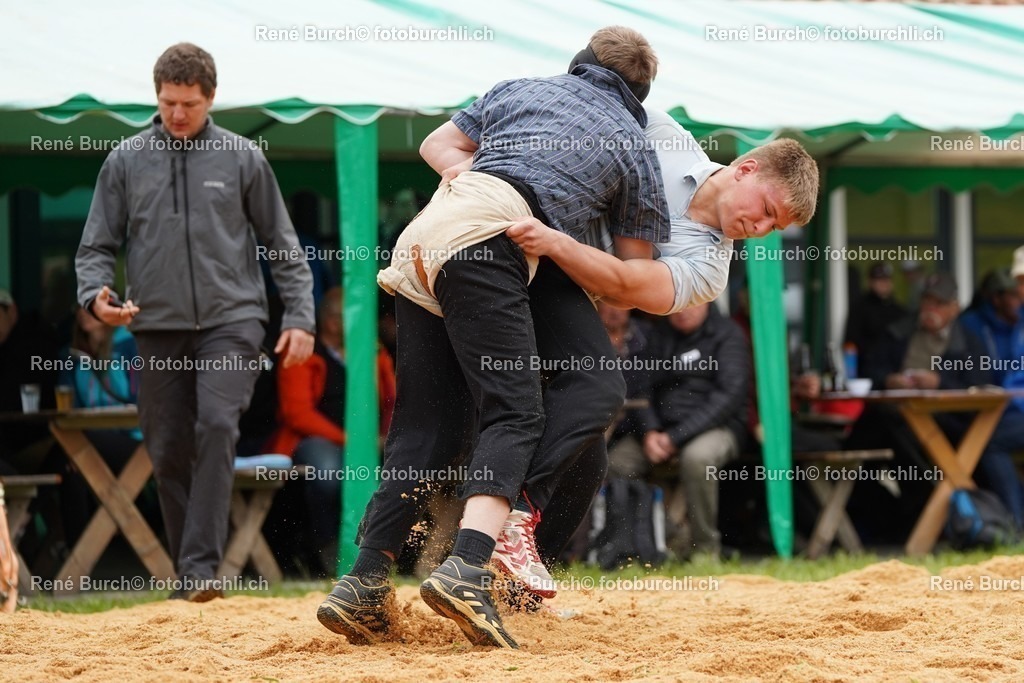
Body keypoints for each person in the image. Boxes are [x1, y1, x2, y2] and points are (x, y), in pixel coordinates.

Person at [318, 26, 670, 649]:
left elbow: (437, 143)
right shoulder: (633, 142)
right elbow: (629, 270)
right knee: (516, 410)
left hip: (425, 232)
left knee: (428, 424)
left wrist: (469, 178)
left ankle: (365, 580)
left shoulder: (520, 88)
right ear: (639, 95)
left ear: (577, 65)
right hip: (490, 240)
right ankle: (470, 564)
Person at [502, 110, 818, 569]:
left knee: (592, 458)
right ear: (745, 169)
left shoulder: (711, 273)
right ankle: (396, 561)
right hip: (515, 254)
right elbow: (577, 103)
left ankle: (524, 576)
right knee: (518, 419)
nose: (761, 229)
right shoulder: (664, 134)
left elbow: (625, 289)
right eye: (767, 211)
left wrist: (554, 243)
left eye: (774, 227)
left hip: (555, 290)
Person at [75, 43, 314, 602]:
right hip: (155, 326)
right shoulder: (126, 160)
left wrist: (300, 316)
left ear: (211, 97)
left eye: (188, 104)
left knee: (215, 425)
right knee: (167, 447)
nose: (177, 115)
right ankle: (192, 578)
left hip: (233, 320)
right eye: (167, 103)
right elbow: (95, 247)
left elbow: (282, 244)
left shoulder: (242, 158)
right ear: (156, 97)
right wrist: (94, 296)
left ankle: (201, 571)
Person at [264, 288, 396, 573]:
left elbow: (392, 401)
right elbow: (297, 414)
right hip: (313, 439)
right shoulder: (303, 351)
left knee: (402, 469)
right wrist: (352, 441)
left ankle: (390, 554)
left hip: (368, 441)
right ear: (334, 323)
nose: (367, 324)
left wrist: (388, 435)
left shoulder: (371, 350)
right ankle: (329, 549)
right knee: (328, 473)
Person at [848, 272, 988, 539]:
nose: (930, 310)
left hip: (944, 424)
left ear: (954, 308)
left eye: (938, 304)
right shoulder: (897, 332)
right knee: (859, 456)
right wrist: (890, 380)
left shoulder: (970, 342)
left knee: (896, 442)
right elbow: (871, 369)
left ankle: (922, 518)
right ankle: (900, 521)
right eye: (926, 302)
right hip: (893, 421)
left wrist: (938, 382)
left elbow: (980, 385)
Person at [607, 303, 750, 559]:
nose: (683, 311)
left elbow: (728, 398)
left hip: (717, 428)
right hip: (660, 430)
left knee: (698, 459)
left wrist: (676, 437)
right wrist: (650, 431)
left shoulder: (727, 334)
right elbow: (640, 390)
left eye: (691, 304)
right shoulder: (659, 335)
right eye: (678, 305)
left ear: (707, 301)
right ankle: (664, 539)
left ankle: (706, 552)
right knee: (614, 465)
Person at [844, 262, 907, 356]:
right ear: (870, 282)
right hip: (867, 363)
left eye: (886, 279)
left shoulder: (899, 310)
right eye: (879, 280)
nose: (883, 284)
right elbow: (852, 341)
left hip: (895, 363)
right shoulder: (860, 308)